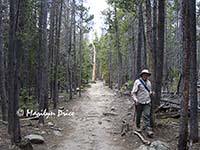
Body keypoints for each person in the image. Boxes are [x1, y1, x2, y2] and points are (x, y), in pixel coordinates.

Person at [131, 69, 154, 137]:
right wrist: (135, 100)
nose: (145, 76)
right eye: (144, 74)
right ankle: (138, 126)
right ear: (142, 75)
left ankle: (148, 130)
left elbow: (149, 91)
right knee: (138, 115)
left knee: (146, 115)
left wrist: (151, 93)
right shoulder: (137, 82)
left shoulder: (149, 83)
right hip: (139, 102)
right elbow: (133, 93)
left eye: (146, 75)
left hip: (147, 101)